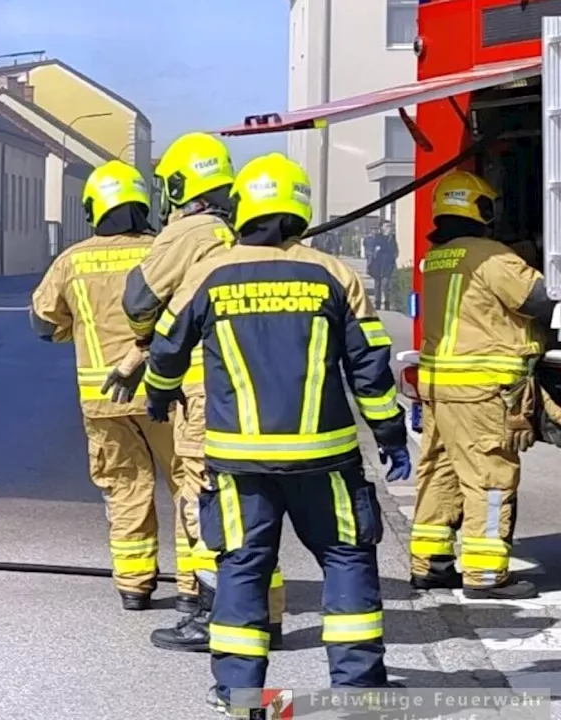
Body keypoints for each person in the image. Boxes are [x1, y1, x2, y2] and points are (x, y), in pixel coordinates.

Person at [143, 153, 409, 715]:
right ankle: (357, 689)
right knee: (345, 558)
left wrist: (162, 396)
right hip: (326, 459)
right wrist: (388, 434)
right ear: (300, 208)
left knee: (242, 565)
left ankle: (242, 696)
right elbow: (369, 367)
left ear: (243, 209)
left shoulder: (209, 272)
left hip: (238, 462)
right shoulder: (333, 273)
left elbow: (166, 348)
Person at [115, 132, 286, 648]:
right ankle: (265, 612)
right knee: (251, 501)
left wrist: (157, 331)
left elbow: (138, 299)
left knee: (203, 498)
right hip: (259, 382)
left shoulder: (192, 231)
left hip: (203, 385)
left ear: (181, 186)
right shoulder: (253, 229)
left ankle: (218, 618)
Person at [30, 160, 180, 610]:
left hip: (104, 402)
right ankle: (195, 587)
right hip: (166, 393)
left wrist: (73, 324)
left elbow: (42, 321)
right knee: (187, 483)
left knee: (125, 486)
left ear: (95, 208)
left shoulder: (73, 260)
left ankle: (134, 584)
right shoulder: (163, 253)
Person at [410, 169, 557, 599]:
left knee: (440, 473)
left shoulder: (440, 257)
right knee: (489, 476)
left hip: (441, 387)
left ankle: (430, 563)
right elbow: (540, 299)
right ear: (480, 209)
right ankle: (487, 574)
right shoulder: (491, 257)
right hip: (482, 390)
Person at [366, 222, 399, 310]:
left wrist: (393, 257)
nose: (389, 228)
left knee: (385, 284)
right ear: (382, 228)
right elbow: (371, 249)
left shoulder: (392, 238)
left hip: (387, 265)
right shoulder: (378, 238)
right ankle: (377, 303)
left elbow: (395, 250)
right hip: (378, 264)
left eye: (390, 226)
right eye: (387, 226)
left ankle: (387, 303)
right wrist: (374, 252)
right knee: (377, 284)